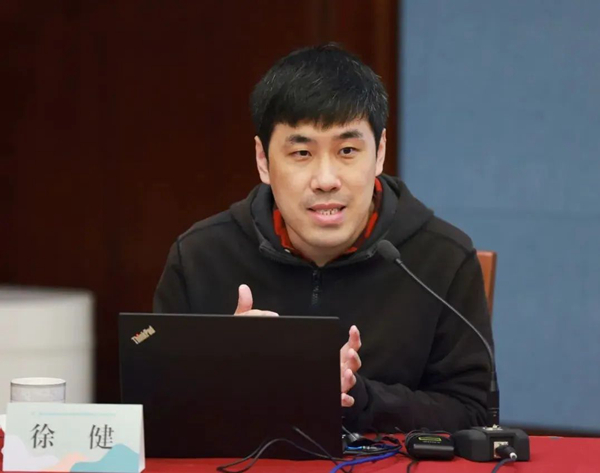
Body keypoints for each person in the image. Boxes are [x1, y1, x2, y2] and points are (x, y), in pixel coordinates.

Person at [154, 44, 493, 433]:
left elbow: (472, 414)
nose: (326, 180)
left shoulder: (442, 258)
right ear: (263, 160)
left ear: (380, 152)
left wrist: (358, 397)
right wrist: (225, 370)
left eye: (347, 150)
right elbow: (156, 415)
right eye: (302, 153)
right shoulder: (200, 257)